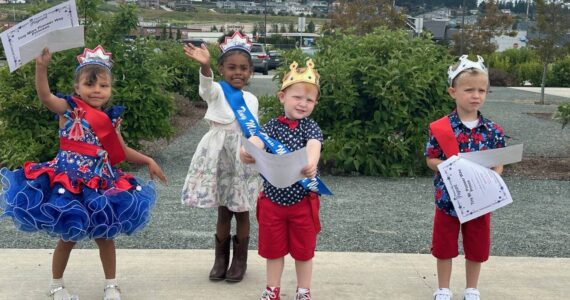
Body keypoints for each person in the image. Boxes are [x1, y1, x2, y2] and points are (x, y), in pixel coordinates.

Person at [0, 45, 167, 300]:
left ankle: (111, 284)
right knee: (68, 237)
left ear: (110, 89)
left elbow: (120, 150)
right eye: (90, 85)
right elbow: (45, 96)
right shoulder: (68, 110)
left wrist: (147, 160)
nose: (97, 90)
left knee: (105, 236)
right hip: (70, 183)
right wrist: (41, 67)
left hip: (101, 184)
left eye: (103, 86)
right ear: (77, 88)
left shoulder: (110, 120)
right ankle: (56, 285)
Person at [240, 59, 325, 300]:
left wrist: (312, 162)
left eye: (309, 100)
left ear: (315, 104)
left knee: (304, 252)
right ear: (282, 97)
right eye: (297, 97)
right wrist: (246, 151)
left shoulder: (310, 127)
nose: (303, 103)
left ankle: (303, 291)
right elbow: (256, 141)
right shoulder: (272, 127)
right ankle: (272, 289)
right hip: (272, 202)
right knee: (273, 251)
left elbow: (314, 145)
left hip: (302, 201)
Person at [181, 31, 260, 282]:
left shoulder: (252, 99)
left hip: (242, 157)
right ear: (222, 69)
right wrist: (204, 66)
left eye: (244, 68)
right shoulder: (216, 91)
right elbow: (206, 87)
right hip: (219, 156)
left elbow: (254, 131)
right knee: (223, 210)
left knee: (242, 210)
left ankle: (240, 261)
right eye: (232, 67)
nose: (238, 72)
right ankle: (220, 260)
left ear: (250, 72)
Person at [425, 55, 506, 300]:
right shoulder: (440, 128)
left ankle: (472, 288)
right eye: (469, 89)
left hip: (480, 199)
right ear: (453, 92)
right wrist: (449, 167)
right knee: (444, 246)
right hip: (448, 198)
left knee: (477, 246)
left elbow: (498, 164)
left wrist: (492, 176)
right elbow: (431, 159)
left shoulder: (493, 130)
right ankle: (443, 288)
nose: (476, 95)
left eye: (482, 90)